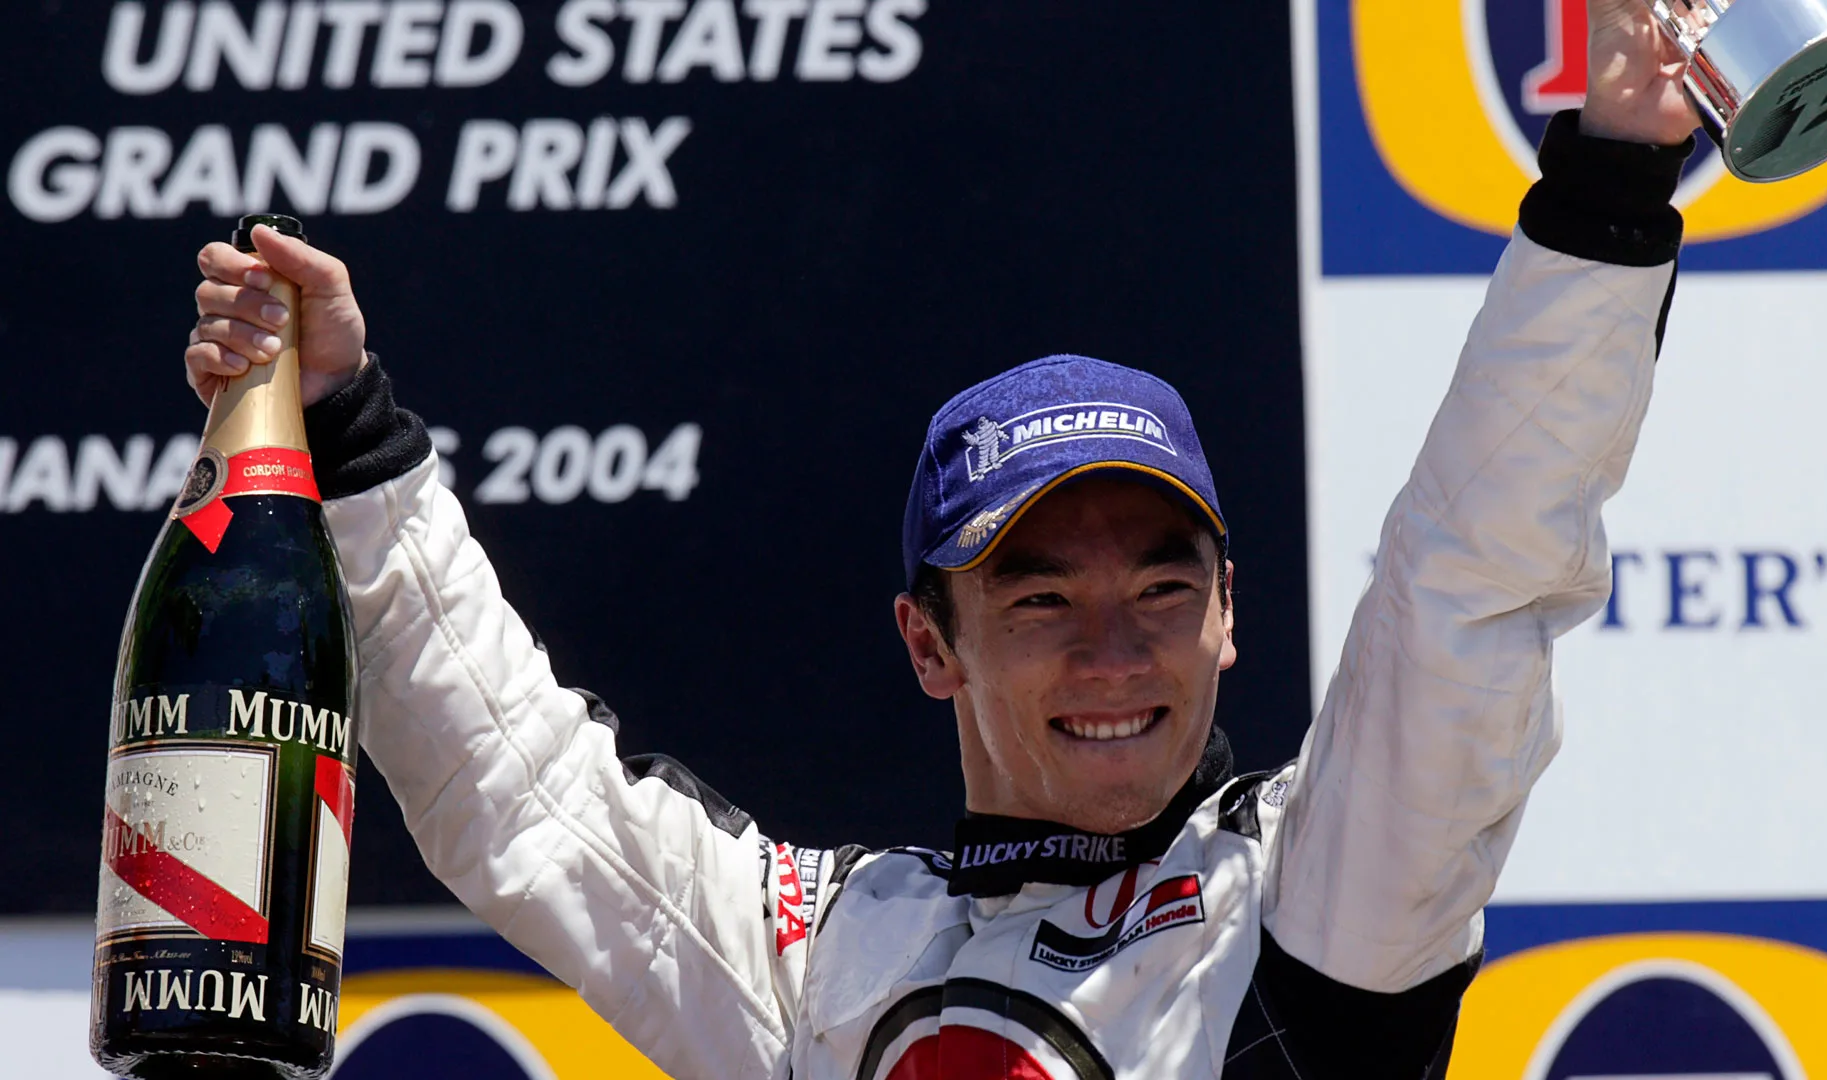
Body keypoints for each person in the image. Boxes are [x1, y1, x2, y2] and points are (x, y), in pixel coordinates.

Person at [182, 3, 1699, 1075]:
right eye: (1042, 600)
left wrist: (1613, 184)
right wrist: (353, 431)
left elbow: (1471, 576)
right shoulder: (825, 955)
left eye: (1164, 587)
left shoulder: (1318, 888)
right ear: (930, 642)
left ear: (1232, 611)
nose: (1117, 651)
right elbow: (523, 797)